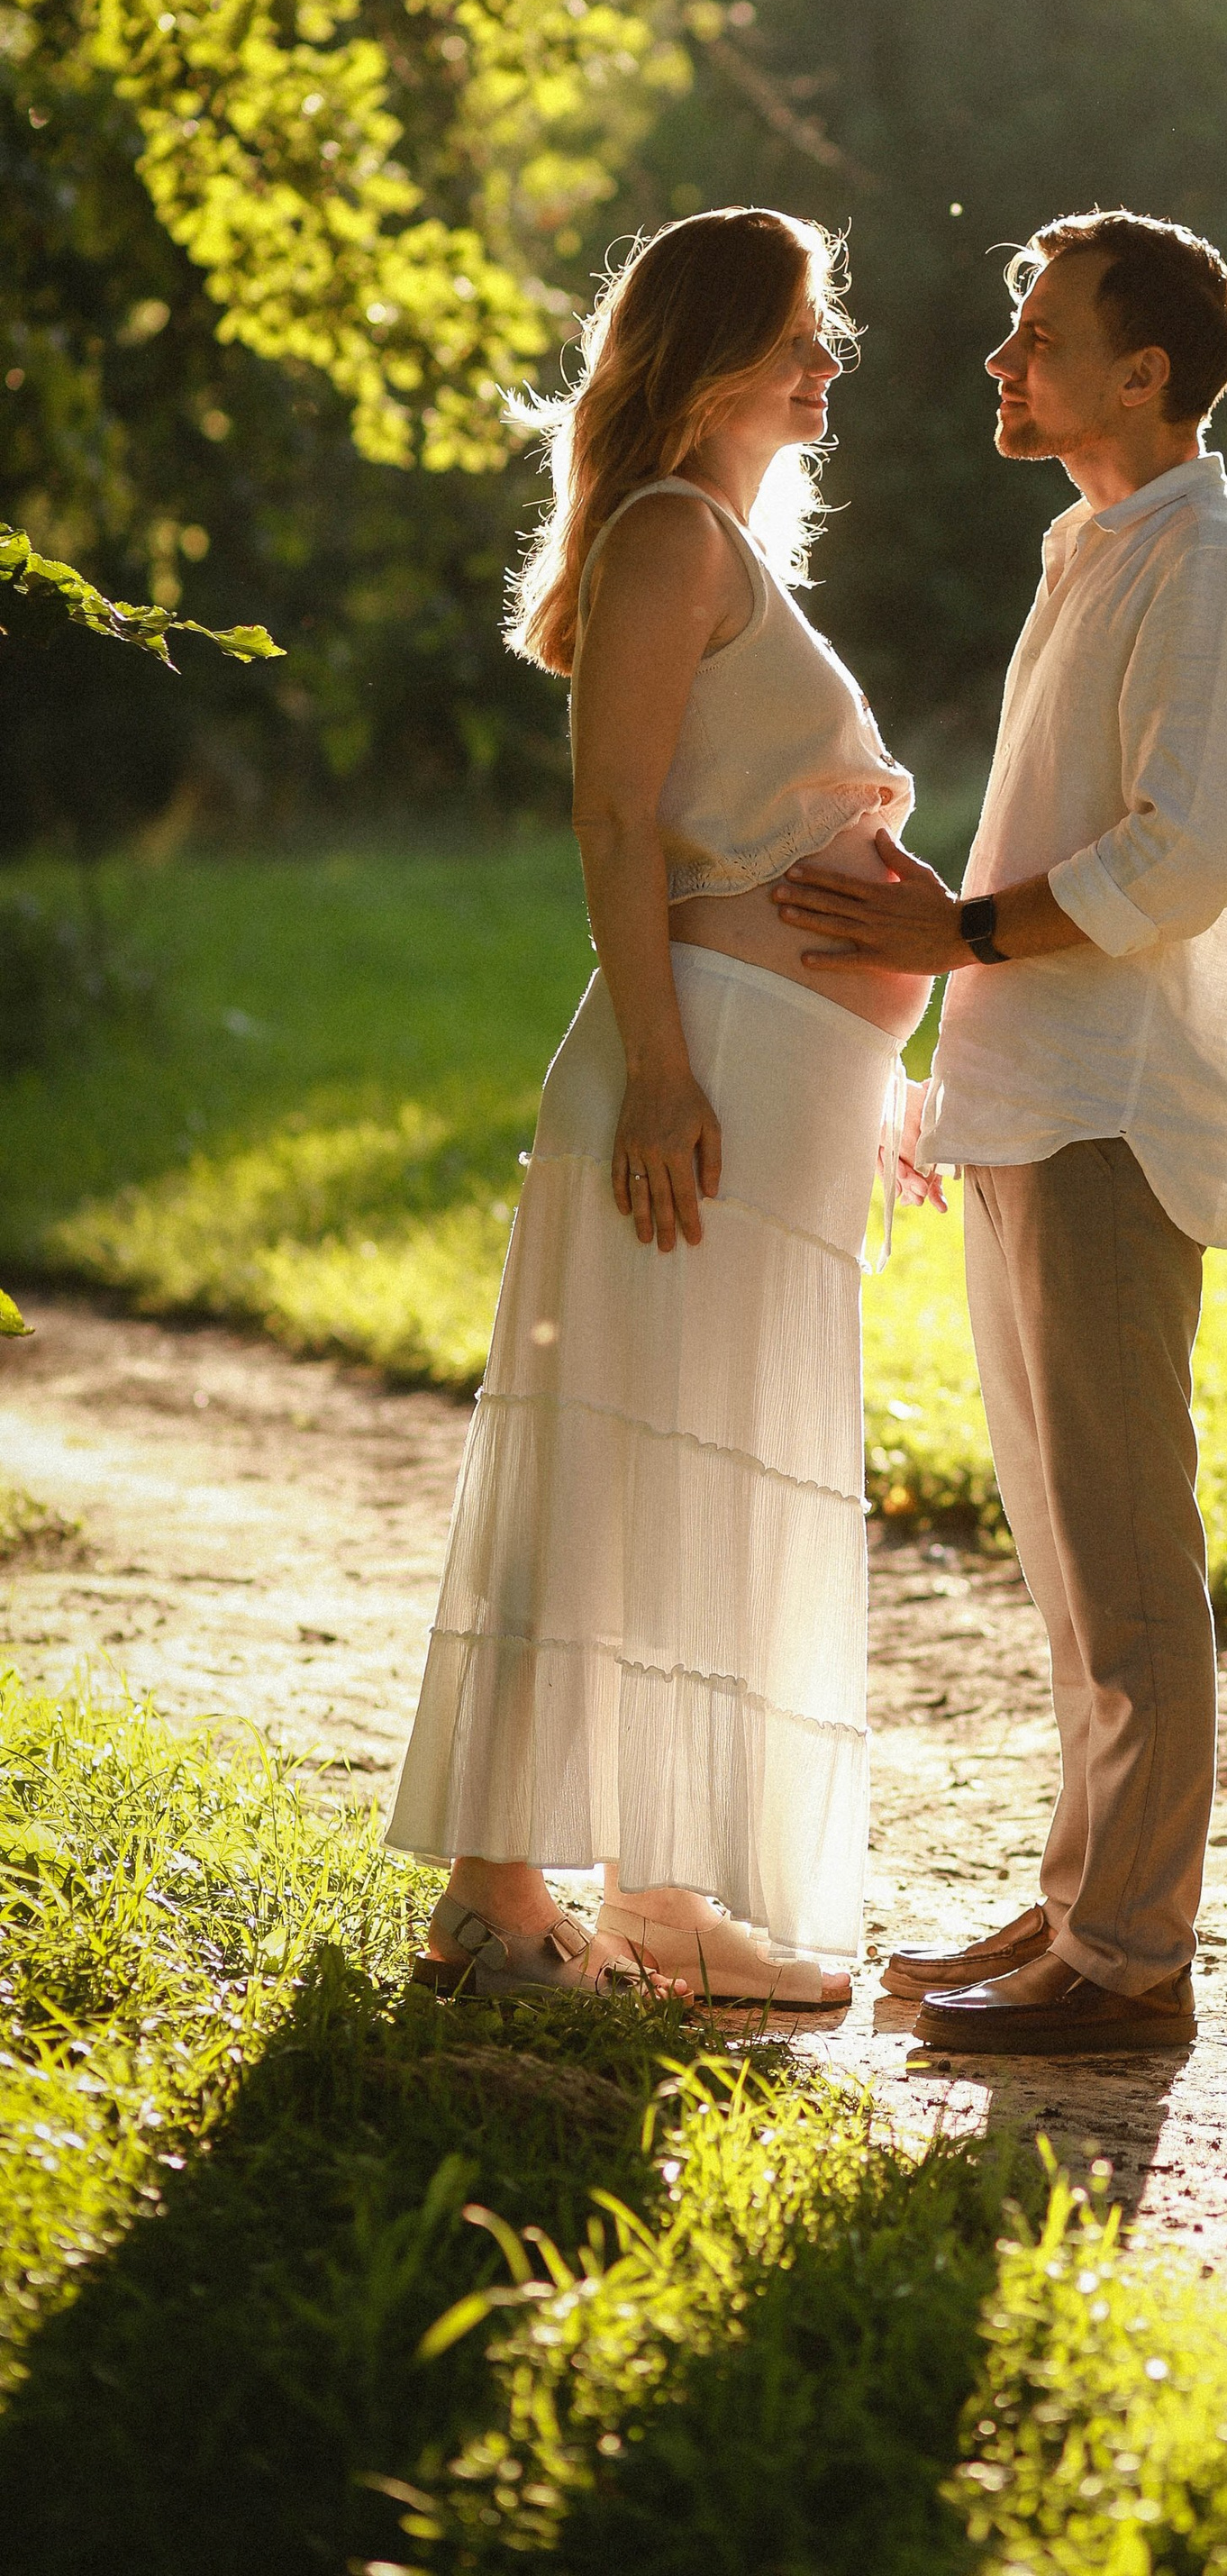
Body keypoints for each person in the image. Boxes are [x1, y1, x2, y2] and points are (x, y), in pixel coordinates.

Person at [388, 205, 934, 2008]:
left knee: (718, 1474)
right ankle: (495, 1898)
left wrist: (868, 1080)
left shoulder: (718, 550)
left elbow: (763, 835)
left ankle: (669, 1902)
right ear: (707, 358)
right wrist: (668, 1071)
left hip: (765, 1078)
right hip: (685, 1070)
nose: (823, 366)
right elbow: (617, 822)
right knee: (624, 1457)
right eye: (796, 334)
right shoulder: (667, 538)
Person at [775, 206, 1227, 2054]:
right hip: (1027, 1101)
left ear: (1140, 372)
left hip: (1115, 1112)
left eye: (1040, 332)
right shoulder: (1092, 544)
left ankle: (1130, 1960)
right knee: (1064, 1549)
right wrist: (948, 1055)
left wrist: (955, 938)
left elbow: (1185, 849)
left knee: (1121, 1543)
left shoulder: (1214, 566)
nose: (1002, 360)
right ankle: (1084, 1905)